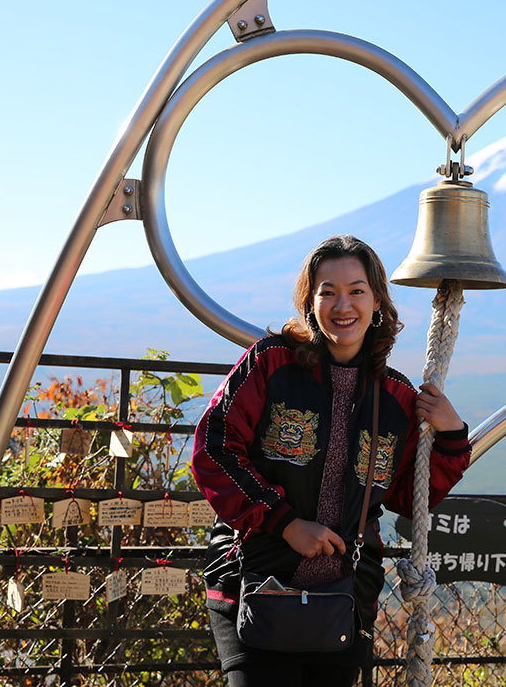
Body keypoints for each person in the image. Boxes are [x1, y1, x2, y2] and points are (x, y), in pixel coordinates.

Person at [192, 234, 471, 687]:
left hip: (345, 597)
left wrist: (454, 438)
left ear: (377, 299)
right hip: (254, 581)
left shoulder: (396, 397)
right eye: (329, 292)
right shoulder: (270, 363)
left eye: (357, 290)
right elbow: (215, 450)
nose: (344, 305)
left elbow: (406, 495)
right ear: (310, 300)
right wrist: (285, 523)